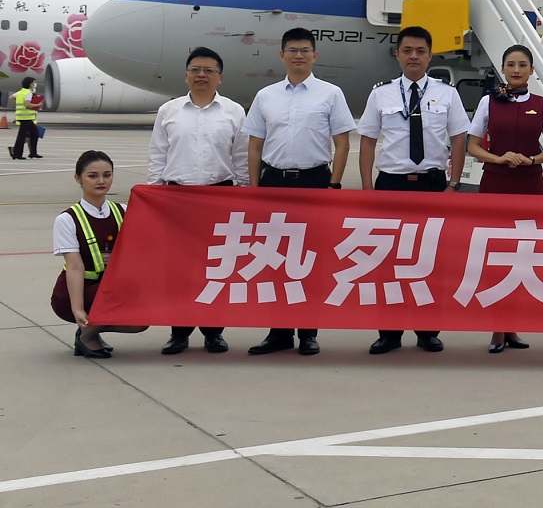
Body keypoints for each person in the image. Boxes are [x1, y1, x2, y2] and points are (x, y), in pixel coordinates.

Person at [357, 26, 470, 356]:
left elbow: (459, 140)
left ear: (430, 55)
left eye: (420, 51)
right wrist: (367, 189)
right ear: (397, 55)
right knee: (387, 261)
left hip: (432, 185)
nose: (414, 56)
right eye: (407, 50)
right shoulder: (381, 94)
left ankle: (428, 331)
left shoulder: (447, 94)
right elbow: (367, 142)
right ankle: (389, 333)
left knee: (431, 260)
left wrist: (453, 184)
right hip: (391, 185)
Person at [243, 28, 354, 357]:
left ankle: (308, 332)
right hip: (274, 183)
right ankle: (278, 333)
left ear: (314, 55)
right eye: (292, 50)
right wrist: (254, 189)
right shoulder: (266, 96)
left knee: (310, 260)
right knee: (274, 260)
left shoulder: (330, 94)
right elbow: (254, 145)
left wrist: (334, 185)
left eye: (305, 50)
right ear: (282, 55)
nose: (299, 56)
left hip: (314, 183)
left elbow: (342, 143)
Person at [148, 46, 250, 355]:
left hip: (220, 196)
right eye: (195, 70)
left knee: (217, 268)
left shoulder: (234, 111)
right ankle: (178, 332)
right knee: (178, 270)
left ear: (220, 77)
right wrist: (154, 196)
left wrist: (246, 195)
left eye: (208, 70)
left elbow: (242, 157)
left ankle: (213, 331)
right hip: (178, 198)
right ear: (186, 75)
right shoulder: (169, 111)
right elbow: (157, 155)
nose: (201, 75)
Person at [466, 44, 543, 353]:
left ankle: (511, 325)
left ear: (532, 70)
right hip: (496, 181)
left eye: (522, 65)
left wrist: (532, 160)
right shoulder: (488, 102)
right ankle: (497, 327)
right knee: (495, 252)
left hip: (529, 183)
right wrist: (499, 158)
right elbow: (473, 146)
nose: (516, 70)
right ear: (502, 68)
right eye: (511, 64)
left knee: (522, 254)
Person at [54, 151, 147, 358]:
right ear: (78, 178)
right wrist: (77, 309)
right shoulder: (67, 219)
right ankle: (87, 337)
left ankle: (90, 331)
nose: (101, 181)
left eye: (107, 175)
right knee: (114, 295)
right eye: (92, 176)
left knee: (141, 322)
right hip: (77, 292)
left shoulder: (123, 211)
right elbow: (75, 267)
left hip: (111, 288)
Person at [10, 75, 42, 159]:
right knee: (22, 136)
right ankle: (17, 154)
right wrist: (38, 105)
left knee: (34, 133)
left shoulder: (21, 92)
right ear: (30, 84)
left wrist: (19, 101)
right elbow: (28, 104)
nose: (34, 84)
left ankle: (33, 153)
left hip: (23, 116)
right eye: (34, 83)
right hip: (26, 117)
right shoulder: (28, 93)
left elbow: (11, 97)